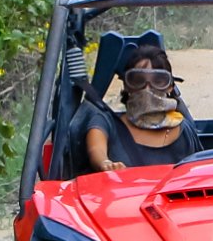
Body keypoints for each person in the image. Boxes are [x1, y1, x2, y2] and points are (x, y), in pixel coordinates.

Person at [78, 41, 199, 172]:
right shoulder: (106, 123)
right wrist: (105, 163)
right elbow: (96, 150)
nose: (147, 89)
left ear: (170, 86)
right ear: (127, 85)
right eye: (138, 81)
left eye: (158, 81)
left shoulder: (183, 130)